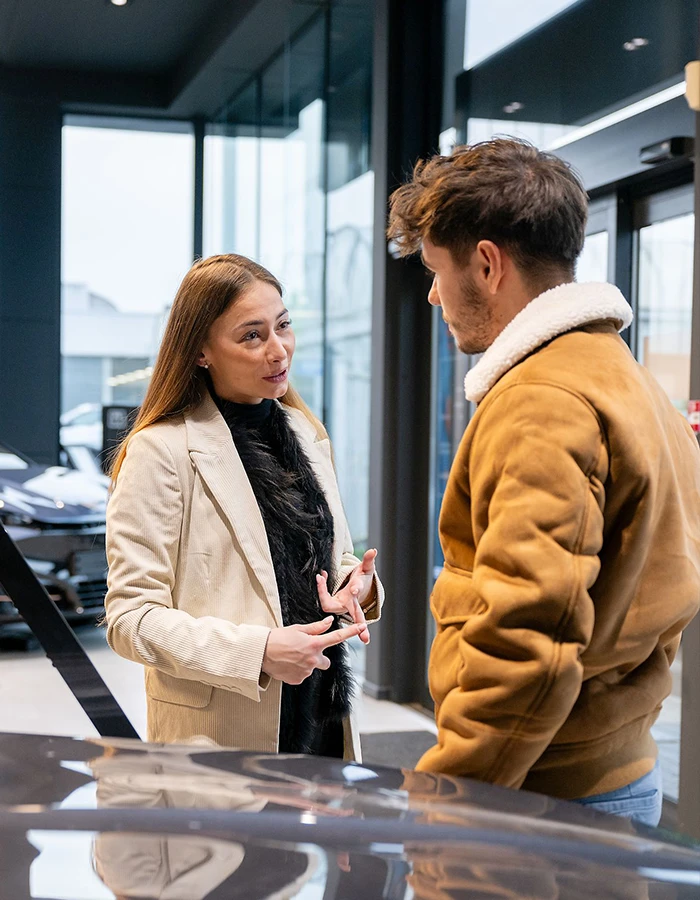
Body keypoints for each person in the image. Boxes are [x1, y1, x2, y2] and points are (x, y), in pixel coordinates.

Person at [387, 137, 700, 826]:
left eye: (436, 270)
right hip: (614, 769)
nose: (434, 293)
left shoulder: (542, 400)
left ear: (488, 263)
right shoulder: (628, 379)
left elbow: (528, 636)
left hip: (542, 795)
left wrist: (447, 801)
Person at [105, 254, 383, 759]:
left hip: (321, 715)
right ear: (201, 351)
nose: (278, 351)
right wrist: (258, 652)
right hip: (221, 735)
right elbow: (131, 618)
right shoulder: (162, 450)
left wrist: (354, 585)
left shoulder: (305, 432)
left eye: (283, 327)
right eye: (251, 336)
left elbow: (334, 559)